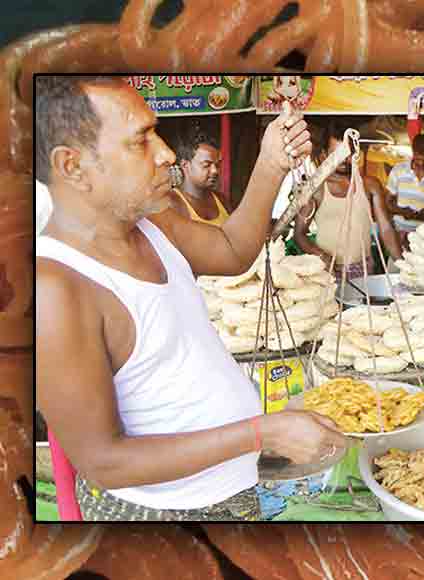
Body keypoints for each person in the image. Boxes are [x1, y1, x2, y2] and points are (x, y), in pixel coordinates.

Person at [35, 76, 346, 521]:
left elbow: (233, 250)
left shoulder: (150, 221)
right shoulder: (57, 287)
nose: (164, 153)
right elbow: (104, 462)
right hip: (160, 513)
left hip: (227, 490)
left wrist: (271, 164)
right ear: (72, 166)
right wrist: (261, 431)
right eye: (140, 140)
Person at [294, 122, 402, 279]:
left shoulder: (370, 185)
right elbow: (299, 235)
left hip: (363, 269)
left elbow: (385, 228)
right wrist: (320, 255)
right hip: (326, 270)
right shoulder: (315, 189)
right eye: (337, 154)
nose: (344, 160)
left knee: (362, 303)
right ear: (324, 154)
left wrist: (402, 264)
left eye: (348, 154)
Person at [385, 133, 424, 251]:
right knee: (396, 267)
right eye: (418, 158)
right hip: (399, 235)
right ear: (413, 150)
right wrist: (403, 211)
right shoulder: (398, 170)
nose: (420, 163)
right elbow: (388, 202)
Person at [168, 130, 231, 226]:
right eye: (207, 165)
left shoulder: (222, 201)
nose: (215, 171)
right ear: (185, 165)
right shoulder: (172, 203)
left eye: (217, 165)